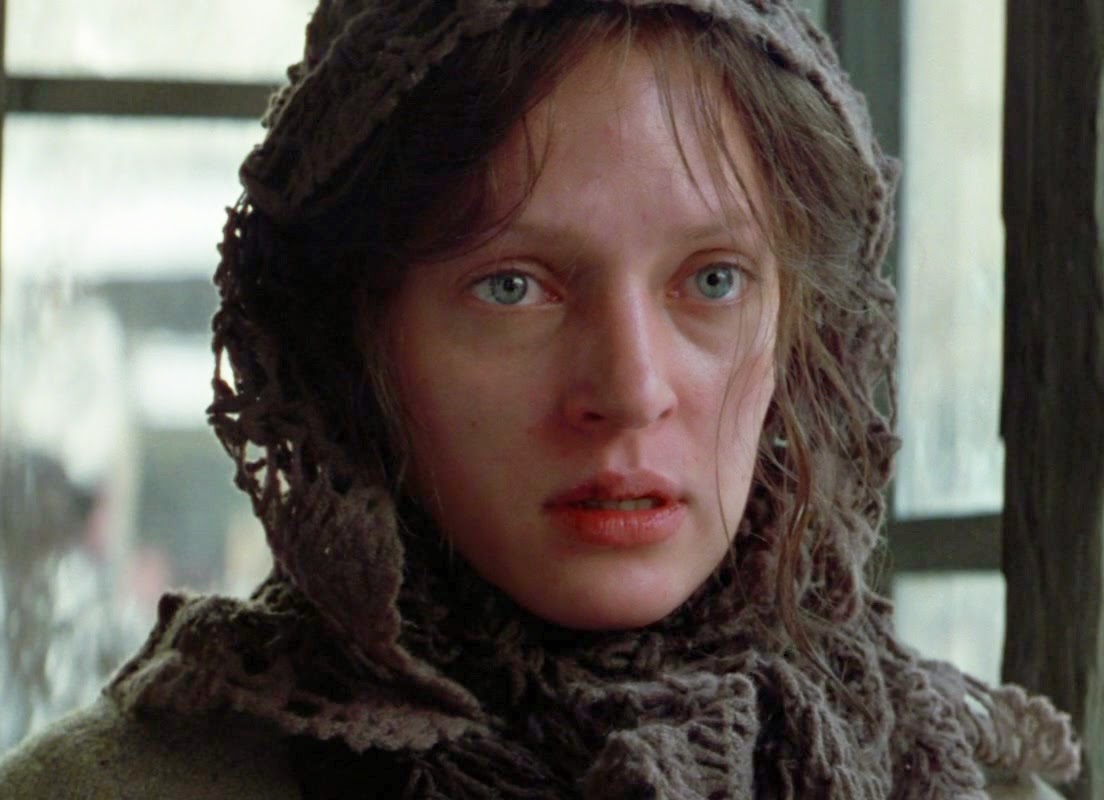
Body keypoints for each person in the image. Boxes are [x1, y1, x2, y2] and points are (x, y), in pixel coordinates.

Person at [0, 1, 1081, 797]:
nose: (630, 391)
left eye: (713, 280)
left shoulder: (955, 780)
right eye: (512, 287)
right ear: (353, 345)